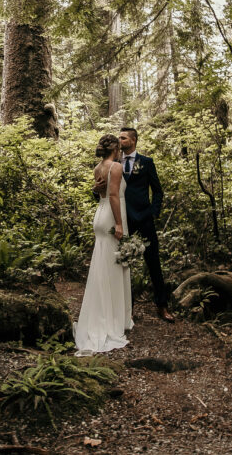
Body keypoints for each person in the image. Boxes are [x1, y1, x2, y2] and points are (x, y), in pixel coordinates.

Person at [96, 127, 173, 322]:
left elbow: (158, 191)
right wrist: (95, 190)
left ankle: (162, 305)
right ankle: (126, 310)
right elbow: (103, 193)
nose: (119, 140)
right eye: (119, 138)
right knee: (123, 265)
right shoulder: (113, 163)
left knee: (153, 263)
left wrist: (153, 213)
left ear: (133, 140)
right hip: (122, 220)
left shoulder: (147, 163)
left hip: (145, 220)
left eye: (123, 138)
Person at [73, 134, 133, 355]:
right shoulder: (115, 166)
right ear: (115, 148)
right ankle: (111, 318)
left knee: (102, 265)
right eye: (119, 147)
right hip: (111, 216)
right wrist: (119, 223)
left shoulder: (98, 167)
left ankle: (105, 313)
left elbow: (98, 191)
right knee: (113, 266)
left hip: (100, 214)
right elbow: (114, 195)